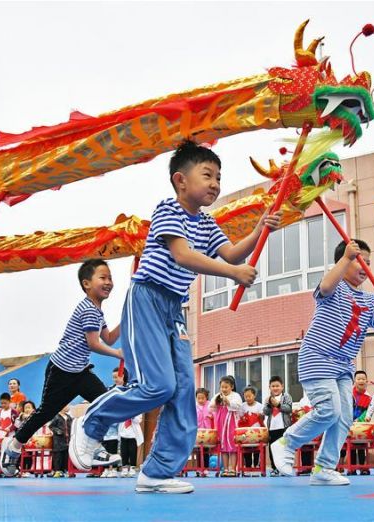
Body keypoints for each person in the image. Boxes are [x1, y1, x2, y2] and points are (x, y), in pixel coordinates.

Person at [70, 141, 282, 493]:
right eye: (207, 175)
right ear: (181, 180)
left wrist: (260, 229)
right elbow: (183, 255)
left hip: (175, 311)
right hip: (148, 299)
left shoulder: (207, 222)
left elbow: (230, 253)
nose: (215, 183)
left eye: (219, 177)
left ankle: (157, 472)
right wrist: (234, 275)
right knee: (157, 386)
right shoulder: (169, 209)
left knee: (182, 391)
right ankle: (91, 422)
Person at [270, 239, 374, 486]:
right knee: (329, 410)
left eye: (369, 263)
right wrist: (346, 258)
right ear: (345, 261)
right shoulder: (335, 287)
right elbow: (326, 287)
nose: (365, 267)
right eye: (360, 261)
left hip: (343, 365)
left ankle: (324, 467)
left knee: (344, 416)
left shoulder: (370, 300)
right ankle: (287, 443)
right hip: (317, 357)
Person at [0, 259, 124, 477]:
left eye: (110, 278)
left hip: (81, 371)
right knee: (45, 412)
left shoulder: (98, 312)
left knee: (107, 402)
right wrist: (117, 355)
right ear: (86, 283)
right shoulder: (88, 309)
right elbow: (94, 344)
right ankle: (13, 446)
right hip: (62, 370)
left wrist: (127, 320)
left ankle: (92, 444)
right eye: (103, 278)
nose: (108, 282)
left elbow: (110, 338)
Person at [210, 376, 242, 477]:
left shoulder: (235, 395)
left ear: (231, 387)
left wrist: (227, 402)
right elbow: (210, 407)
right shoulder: (217, 395)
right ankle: (226, 468)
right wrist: (217, 402)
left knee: (232, 445)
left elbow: (238, 406)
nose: (223, 389)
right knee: (223, 446)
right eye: (222, 387)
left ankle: (232, 468)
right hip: (221, 423)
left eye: (226, 387)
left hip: (232, 423)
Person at [343, 370, 372, 475]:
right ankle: (352, 468)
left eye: (363, 379)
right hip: (348, 423)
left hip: (361, 425)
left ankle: (363, 467)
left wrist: (359, 420)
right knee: (350, 446)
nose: (361, 381)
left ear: (367, 381)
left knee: (361, 446)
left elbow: (367, 412)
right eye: (359, 379)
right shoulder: (348, 394)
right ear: (354, 381)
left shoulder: (369, 397)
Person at [263, 376, 292, 476]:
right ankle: (274, 468)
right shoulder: (268, 399)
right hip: (272, 428)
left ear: (282, 386)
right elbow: (265, 412)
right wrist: (269, 405)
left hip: (284, 427)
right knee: (272, 449)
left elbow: (289, 409)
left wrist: (278, 405)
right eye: (273, 386)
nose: (275, 388)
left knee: (284, 448)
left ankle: (285, 468)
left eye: (277, 386)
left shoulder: (286, 396)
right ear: (269, 387)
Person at [239, 386, 264, 470]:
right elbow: (240, 417)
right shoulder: (242, 406)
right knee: (247, 449)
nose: (248, 398)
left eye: (250, 396)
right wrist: (243, 418)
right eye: (246, 396)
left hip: (257, 432)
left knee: (257, 449)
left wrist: (259, 416)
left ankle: (257, 464)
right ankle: (248, 466)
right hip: (246, 432)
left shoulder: (259, 406)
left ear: (254, 395)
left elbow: (262, 418)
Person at [49, 405, 73, 478]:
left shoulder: (69, 417)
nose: (68, 407)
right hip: (58, 440)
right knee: (58, 455)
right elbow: (51, 426)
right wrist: (57, 431)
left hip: (67, 440)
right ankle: (57, 470)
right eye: (66, 405)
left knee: (66, 455)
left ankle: (65, 469)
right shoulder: (56, 416)